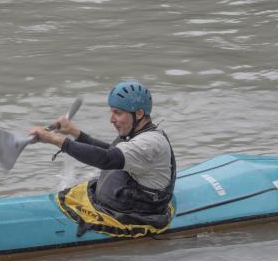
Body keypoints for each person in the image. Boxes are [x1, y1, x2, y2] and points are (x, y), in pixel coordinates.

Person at [29, 81, 176, 228]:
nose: (111, 119)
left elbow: (106, 159)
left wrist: (53, 139)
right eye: (111, 112)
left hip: (138, 214)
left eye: (117, 113)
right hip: (118, 204)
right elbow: (110, 151)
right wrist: (73, 132)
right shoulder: (136, 132)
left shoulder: (149, 143)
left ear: (139, 113)